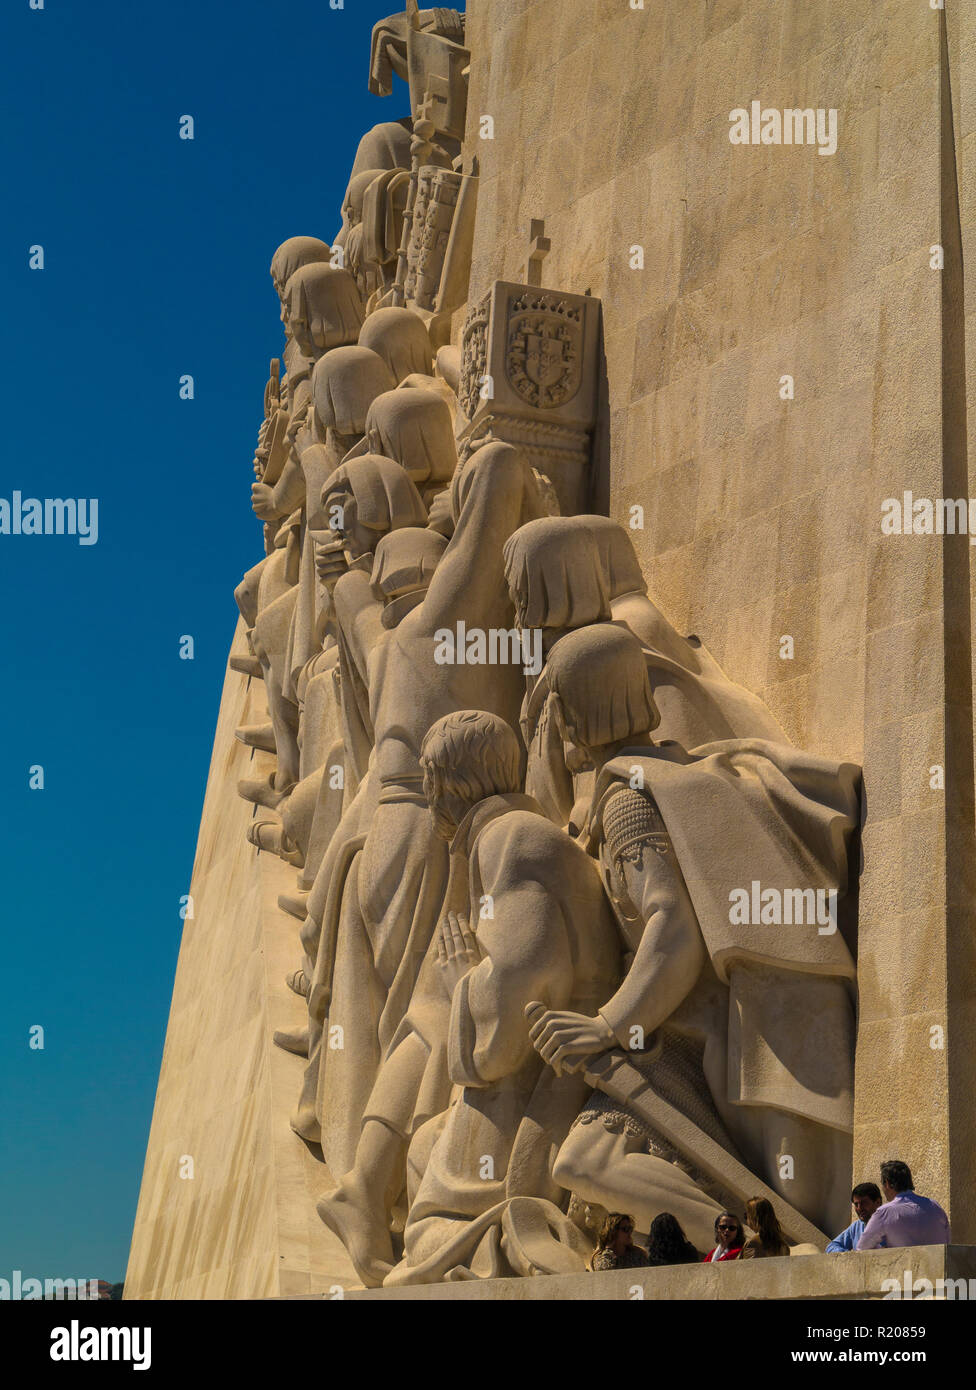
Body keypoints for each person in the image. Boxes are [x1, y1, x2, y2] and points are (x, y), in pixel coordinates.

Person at [856, 1161, 950, 1250]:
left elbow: (862, 1248)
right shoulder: (935, 1206)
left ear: (887, 1183)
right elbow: (947, 1240)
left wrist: (882, 1250)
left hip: (906, 1266)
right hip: (937, 1265)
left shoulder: (884, 1212)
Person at [825, 1183, 883, 1252]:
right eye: (856, 1204)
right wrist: (851, 1256)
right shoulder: (856, 1227)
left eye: (864, 1203)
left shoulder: (891, 1223)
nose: (859, 1208)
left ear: (878, 1202)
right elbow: (831, 1246)